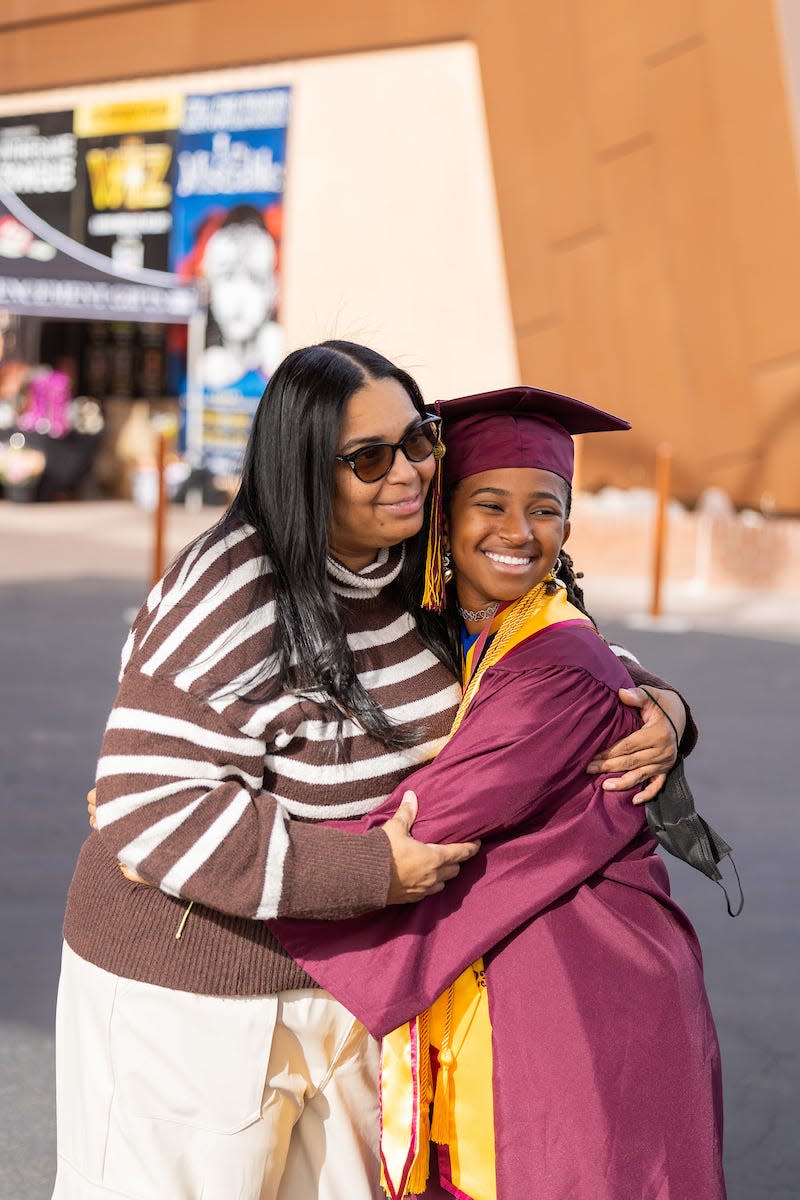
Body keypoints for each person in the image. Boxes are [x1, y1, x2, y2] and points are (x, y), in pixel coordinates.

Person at [58, 343, 689, 1200]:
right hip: (193, 997)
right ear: (303, 469)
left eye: (420, 440)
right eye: (368, 458)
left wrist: (663, 705)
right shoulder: (236, 590)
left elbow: (538, 660)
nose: (410, 474)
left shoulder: (409, 570)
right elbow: (147, 809)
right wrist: (373, 871)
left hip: (349, 991)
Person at [271, 385, 726, 1200]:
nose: (520, 532)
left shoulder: (555, 667)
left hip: (587, 1003)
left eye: (545, 509)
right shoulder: (468, 625)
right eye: (490, 503)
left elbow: (428, 820)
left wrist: (230, 862)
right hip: (535, 990)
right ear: (442, 515)